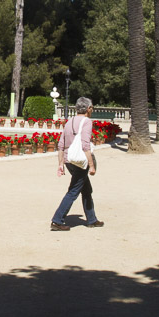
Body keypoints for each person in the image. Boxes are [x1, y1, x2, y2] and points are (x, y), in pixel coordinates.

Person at [51, 96, 103, 231]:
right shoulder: (86, 122)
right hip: (80, 161)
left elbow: (61, 144)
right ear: (87, 108)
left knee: (86, 189)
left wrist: (61, 164)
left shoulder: (69, 121)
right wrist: (91, 165)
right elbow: (85, 145)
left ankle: (92, 219)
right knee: (73, 191)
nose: (92, 110)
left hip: (69, 160)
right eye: (91, 107)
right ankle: (57, 220)